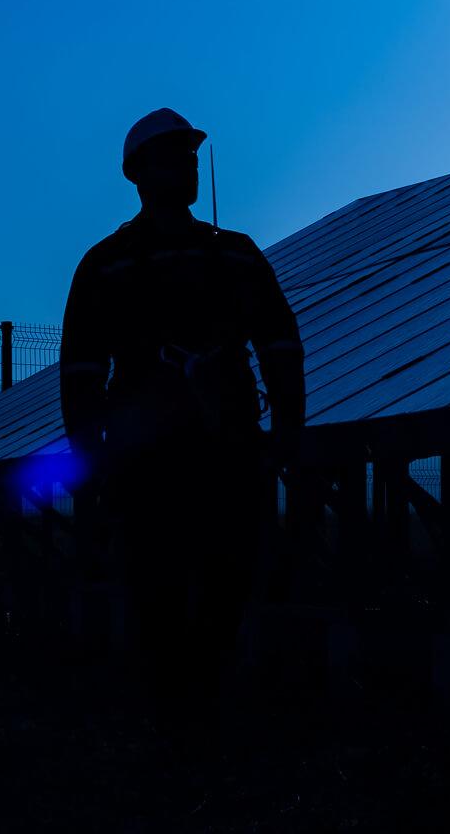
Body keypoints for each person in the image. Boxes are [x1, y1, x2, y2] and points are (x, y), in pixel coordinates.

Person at [59, 107, 305, 731]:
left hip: (221, 455)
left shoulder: (231, 257)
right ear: (139, 175)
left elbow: (281, 345)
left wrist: (286, 435)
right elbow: (81, 375)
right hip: (156, 465)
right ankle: (181, 726)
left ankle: (195, 719)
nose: (188, 165)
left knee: (221, 587)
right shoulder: (109, 267)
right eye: (174, 157)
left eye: (191, 155)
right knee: (163, 597)